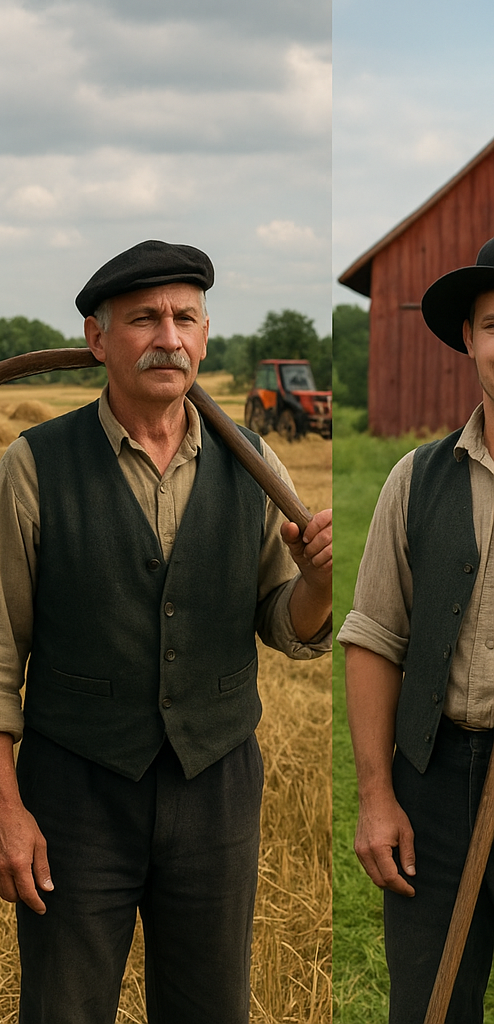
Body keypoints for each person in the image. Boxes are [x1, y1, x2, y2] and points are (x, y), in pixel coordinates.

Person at [0, 239, 333, 1023]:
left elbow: (286, 625)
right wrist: (4, 807)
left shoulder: (254, 465)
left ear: (205, 336)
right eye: (144, 318)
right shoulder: (33, 467)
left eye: (185, 318)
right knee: (64, 1009)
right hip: (75, 792)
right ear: (97, 338)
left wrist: (315, 584)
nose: (168, 336)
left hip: (216, 787)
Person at [340, 238, 494, 1024]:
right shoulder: (416, 479)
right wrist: (376, 796)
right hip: (436, 783)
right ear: (468, 337)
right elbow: (374, 637)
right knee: (429, 1005)